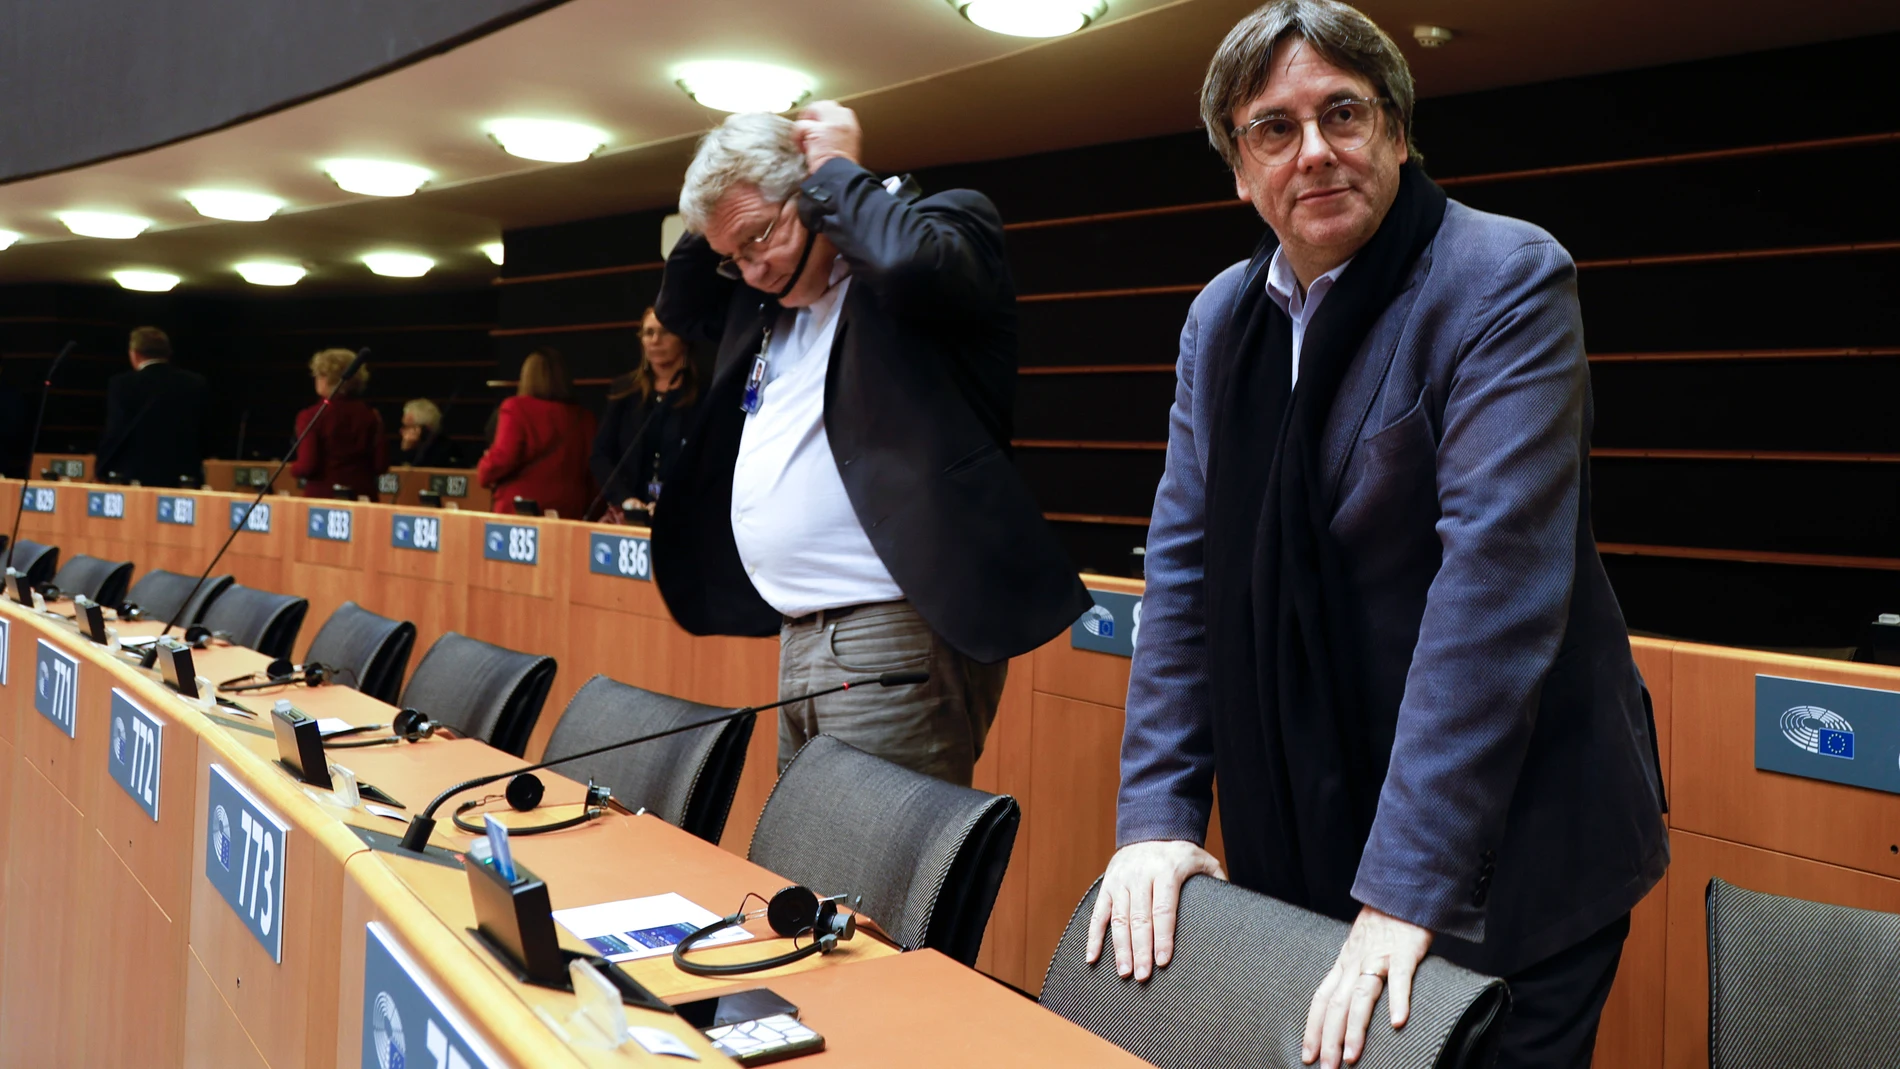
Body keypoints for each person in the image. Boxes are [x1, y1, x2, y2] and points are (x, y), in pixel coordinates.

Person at [1088, 4, 1668, 1068]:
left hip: (1510, 849)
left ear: (1397, 132)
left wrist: (1408, 888)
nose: (1313, 151)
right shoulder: (1221, 320)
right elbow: (1182, 579)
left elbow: (1490, 599)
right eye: (1273, 127)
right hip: (1307, 838)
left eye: (1341, 113)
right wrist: (1159, 818)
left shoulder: (1501, 277)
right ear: (1238, 167)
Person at [651, 105, 1090, 787]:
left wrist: (830, 168)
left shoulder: (940, 233)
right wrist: (727, 191)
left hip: (892, 631)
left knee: (872, 877)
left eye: (759, 237)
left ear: (815, 195)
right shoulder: (767, 300)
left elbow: (910, 263)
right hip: (799, 633)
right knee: (805, 869)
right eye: (733, 258)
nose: (753, 269)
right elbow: (680, 304)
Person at [592, 308, 697, 521]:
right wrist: (625, 499)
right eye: (649, 333)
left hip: (683, 515)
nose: (656, 340)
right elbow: (600, 455)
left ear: (683, 339)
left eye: (665, 332)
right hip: (630, 513)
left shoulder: (703, 392)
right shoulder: (624, 390)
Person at [477, 348, 597, 518]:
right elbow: (593, 474)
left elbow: (502, 458)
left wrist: (484, 467)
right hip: (569, 513)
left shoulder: (516, 408)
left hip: (521, 514)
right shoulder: (585, 418)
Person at [95, 326, 209, 487]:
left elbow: (115, 430)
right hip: (183, 477)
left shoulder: (122, 385)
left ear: (135, 353)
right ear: (168, 353)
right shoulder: (195, 383)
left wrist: (101, 469)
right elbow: (205, 432)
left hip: (134, 475)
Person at [291, 348, 385, 498]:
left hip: (322, 500)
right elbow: (381, 465)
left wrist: (292, 469)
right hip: (363, 497)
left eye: (318, 375)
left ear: (326, 378)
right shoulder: (372, 415)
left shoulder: (313, 415)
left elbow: (307, 466)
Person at [396, 398, 458, 467]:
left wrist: (408, 451)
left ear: (425, 430)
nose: (401, 431)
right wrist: (405, 451)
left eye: (406, 427)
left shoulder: (445, 450)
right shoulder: (407, 448)